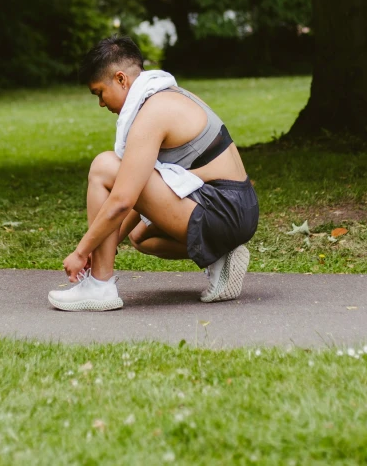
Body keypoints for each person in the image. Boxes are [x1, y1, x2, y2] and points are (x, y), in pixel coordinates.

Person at [48, 36, 259, 312]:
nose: (101, 103)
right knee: (140, 236)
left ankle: (99, 287)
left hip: (223, 209)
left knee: (104, 166)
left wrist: (81, 252)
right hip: (233, 207)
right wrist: (101, 246)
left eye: (100, 92)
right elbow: (143, 195)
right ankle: (221, 256)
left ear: (121, 79)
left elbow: (124, 198)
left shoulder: (153, 112)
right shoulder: (168, 93)